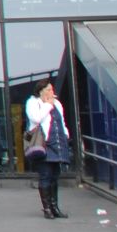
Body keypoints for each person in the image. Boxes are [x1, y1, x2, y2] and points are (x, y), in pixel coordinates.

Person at [25, 80, 71, 220]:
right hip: (44, 144)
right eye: (49, 90)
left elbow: (61, 121)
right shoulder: (33, 103)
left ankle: (54, 206)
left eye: (52, 90)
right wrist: (47, 105)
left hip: (58, 143)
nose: (52, 92)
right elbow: (36, 118)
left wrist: (66, 134)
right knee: (45, 175)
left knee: (55, 176)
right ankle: (47, 208)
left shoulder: (57, 103)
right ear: (41, 91)